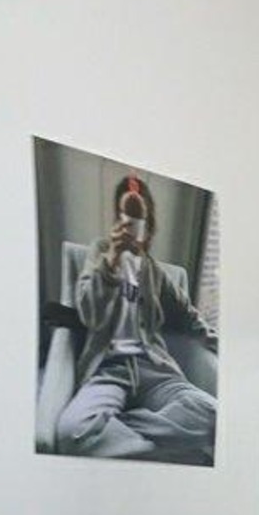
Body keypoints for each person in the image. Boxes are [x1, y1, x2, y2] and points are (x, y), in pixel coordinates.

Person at [55, 169, 217, 463]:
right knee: (74, 432)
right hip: (109, 369)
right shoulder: (100, 253)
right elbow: (89, 313)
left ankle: (119, 430)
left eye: (141, 221)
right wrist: (111, 263)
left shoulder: (155, 272)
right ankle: (164, 449)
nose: (134, 227)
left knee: (215, 416)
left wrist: (227, 350)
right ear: (118, 221)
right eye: (126, 218)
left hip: (156, 370)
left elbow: (191, 320)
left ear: (149, 226)